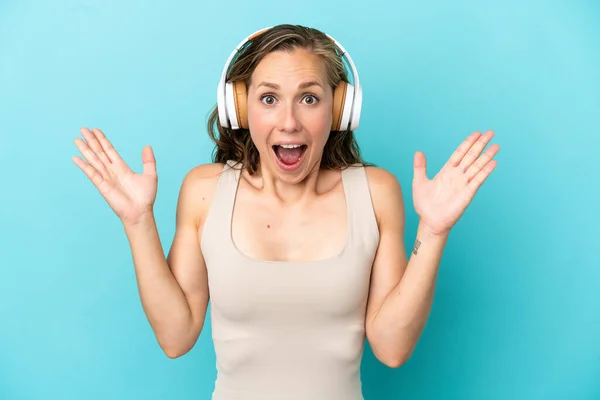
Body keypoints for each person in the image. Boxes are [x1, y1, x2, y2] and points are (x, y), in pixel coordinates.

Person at [72, 24, 499, 400]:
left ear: (339, 109)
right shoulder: (205, 191)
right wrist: (138, 222)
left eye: (309, 98)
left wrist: (435, 229)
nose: (289, 122)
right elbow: (175, 336)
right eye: (269, 98)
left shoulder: (375, 193)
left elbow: (391, 348)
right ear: (240, 108)